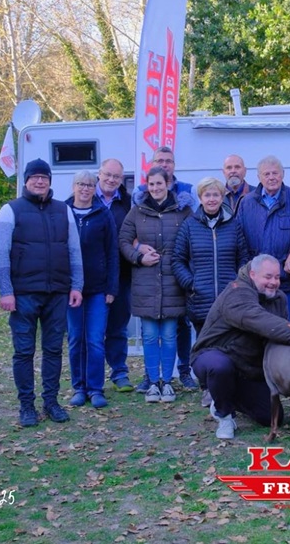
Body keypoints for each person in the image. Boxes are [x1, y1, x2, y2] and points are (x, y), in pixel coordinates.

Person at [191, 255, 290, 440]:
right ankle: (224, 414)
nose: (274, 282)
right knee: (219, 366)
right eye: (268, 277)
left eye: (277, 277)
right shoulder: (236, 293)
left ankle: (227, 394)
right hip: (215, 354)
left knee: (272, 418)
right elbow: (257, 319)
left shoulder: (278, 298)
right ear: (253, 274)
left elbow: (278, 336)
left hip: (248, 367)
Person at [0, 159, 84, 427]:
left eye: (44, 177)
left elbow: (73, 249)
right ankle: (26, 406)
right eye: (35, 177)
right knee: (23, 352)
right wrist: (6, 291)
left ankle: (51, 402)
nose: (40, 181)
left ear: (50, 180)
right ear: (26, 180)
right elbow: (0, 254)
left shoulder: (63, 210)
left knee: (53, 350)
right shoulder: (10, 210)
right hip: (22, 295)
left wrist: (76, 285)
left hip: (57, 292)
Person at [120, 166, 193, 403]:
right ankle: (153, 382)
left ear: (168, 184)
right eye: (151, 184)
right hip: (146, 282)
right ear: (146, 186)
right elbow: (123, 241)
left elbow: (191, 240)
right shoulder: (137, 212)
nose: (155, 188)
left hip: (173, 282)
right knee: (150, 336)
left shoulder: (183, 211)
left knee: (170, 335)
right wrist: (139, 256)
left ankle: (168, 382)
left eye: (159, 184)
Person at [66, 170, 119, 409]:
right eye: (81, 184)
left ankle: (96, 388)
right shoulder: (63, 211)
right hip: (70, 289)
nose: (85, 189)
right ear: (74, 186)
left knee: (96, 339)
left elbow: (112, 252)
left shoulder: (103, 213)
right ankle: (79, 387)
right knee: (76, 339)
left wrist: (111, 287)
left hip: (98, 289)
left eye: (89, 185)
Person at [147, 146, 199, 391]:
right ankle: (151, 376)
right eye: (160, 160)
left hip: (181, 270)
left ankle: (184, 371)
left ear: (174, 165)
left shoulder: (187, 192)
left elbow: (195, 229)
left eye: (168, 161)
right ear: (152, 164)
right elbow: (131, 232)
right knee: (153, 328)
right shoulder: (141, 192)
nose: (164, 164)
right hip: (152, 272)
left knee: (181, 324)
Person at [237, 155, 290, 318]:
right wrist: (247, 273)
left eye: (275, 173)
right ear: (258, 177)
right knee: (256, 330)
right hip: (255, 282)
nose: (271, 177)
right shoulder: (247, 203)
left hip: (285, 281)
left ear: (283, 174)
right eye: (266, 174)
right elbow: (239, 240)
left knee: (284, 328)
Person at [173, 177, 250, 335]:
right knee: (204, 351)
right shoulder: (189, 226)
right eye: (207, 195)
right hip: (200, 301)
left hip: (229, 299)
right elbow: (178, 260)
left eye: (216, 195)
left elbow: (243, 258)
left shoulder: (234, 226)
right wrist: (191, 284)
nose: (212, 199)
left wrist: (237, 283)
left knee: (229, 349)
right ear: (200, 198)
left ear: (222, 197)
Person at [96, 158, 135, 393]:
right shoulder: (85, 198)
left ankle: (119, 372)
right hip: (92, 277)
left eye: (116, 177)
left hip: (121, 275)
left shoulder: (128, 204)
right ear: (99, 174)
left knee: (118, 327)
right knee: (92, 331)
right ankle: (93, 376)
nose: (111, 180)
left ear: (122, 179)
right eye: (107, 175)